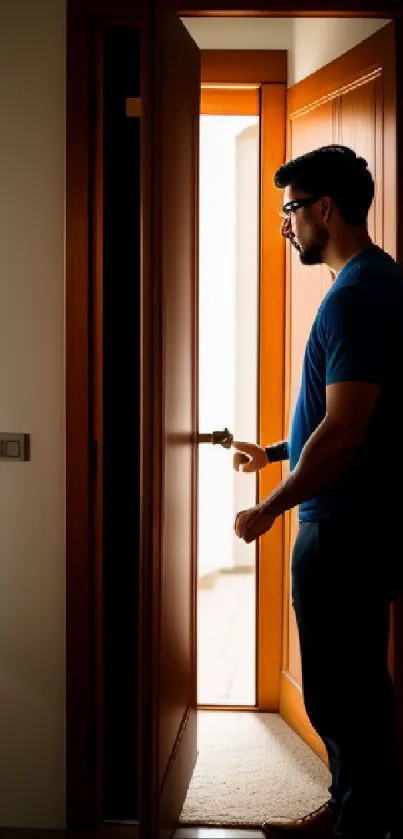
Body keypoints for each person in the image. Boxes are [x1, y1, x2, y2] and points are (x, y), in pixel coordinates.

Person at [233, 145, 403, 839]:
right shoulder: (374, 281)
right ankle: (348, 812)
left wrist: (269, 507)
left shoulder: (356, 297)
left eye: (289, 209)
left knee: (343, 693)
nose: (284, 225)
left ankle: (356, 825)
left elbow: (342, 432)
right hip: (363, 518)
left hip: (343, 527)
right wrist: (273, 451)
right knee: (352, 686)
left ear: (323, 209)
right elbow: (350, 411)